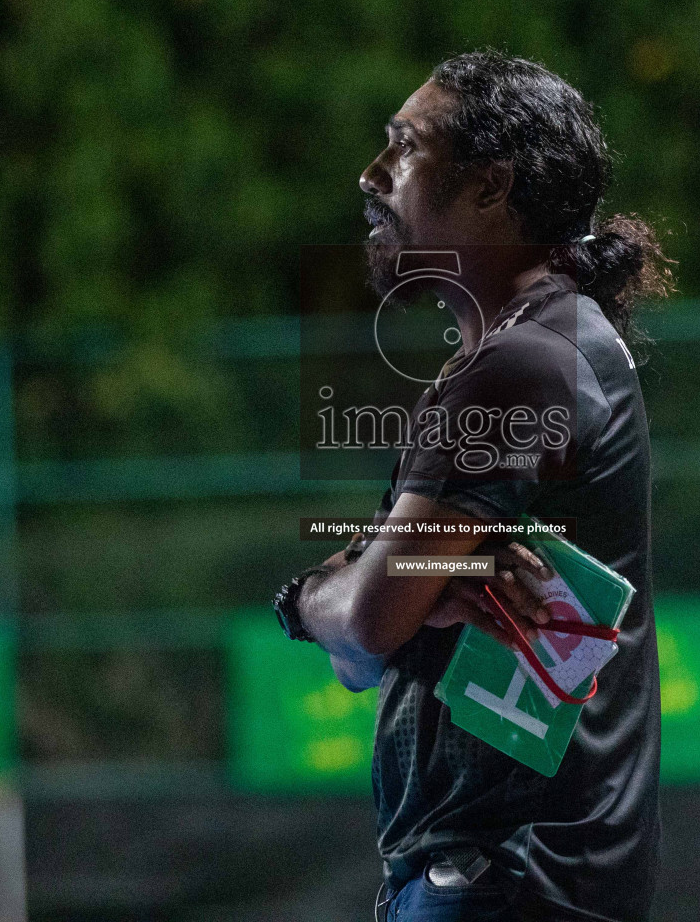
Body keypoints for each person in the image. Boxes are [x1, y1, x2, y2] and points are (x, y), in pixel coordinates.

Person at [272, 51, 675, 921]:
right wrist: (391, 591)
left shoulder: (519, 368)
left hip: (502, 885)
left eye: (403, 148)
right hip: (532, 883)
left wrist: (306, 599)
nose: (370, 176)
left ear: (491, 187)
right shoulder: (549, 345)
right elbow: (370, 646)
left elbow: (371, 622)